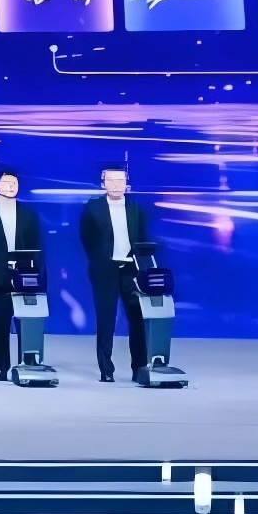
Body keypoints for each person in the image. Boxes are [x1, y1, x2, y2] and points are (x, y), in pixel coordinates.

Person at [79, 164, 155, 384]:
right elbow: (86, 238)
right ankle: (106, 370)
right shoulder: (93, 207)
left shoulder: (135, 207)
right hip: (105, 270)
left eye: (120, 180)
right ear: (103, 183)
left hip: (132, 270)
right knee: (106, 320)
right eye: (110, 180)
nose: (115, 185)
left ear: (126, 183)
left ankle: (139, 368)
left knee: (137, 319)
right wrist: (99, 260)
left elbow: (142, 237)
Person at [0, 167, 45, 380]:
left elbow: (37, 247)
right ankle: (1, 367)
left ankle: (27, 362)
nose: (11, 186)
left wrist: (38, 274)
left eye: (15, 183)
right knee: (0, 322)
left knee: (27, 320)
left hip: (25, 275)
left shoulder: (29, 214)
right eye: (7, 183)